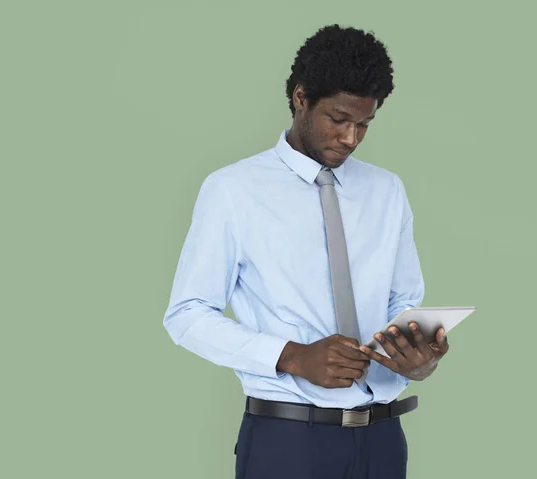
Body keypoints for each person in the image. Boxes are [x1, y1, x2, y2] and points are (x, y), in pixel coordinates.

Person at [163, 24, 450, 479]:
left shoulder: (386, 190)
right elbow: (187, 314)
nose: (351, 138)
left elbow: (403, 302)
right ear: (301, 98)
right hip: (289, 441)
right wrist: (292, 356)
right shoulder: (232, 190)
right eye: (338, 119)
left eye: (364, 124)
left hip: (383, 440)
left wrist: (418, 355)